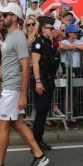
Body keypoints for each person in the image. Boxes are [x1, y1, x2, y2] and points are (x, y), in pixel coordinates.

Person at [0, 3, 48, 166]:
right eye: (2, 15)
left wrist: (23, 95)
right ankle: (39, 155)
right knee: (17, 123)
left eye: (6, 14)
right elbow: (4, 65)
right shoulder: (9, 37)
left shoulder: (17, 38)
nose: (2, 17)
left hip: (13, 88)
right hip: (8, 86)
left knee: (3, 125)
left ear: (15, 17)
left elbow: (25, 67)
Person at [31, 16, 60, 151]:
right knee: (41, 112)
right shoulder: (39, 42)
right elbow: (35, 62)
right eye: (50, 28)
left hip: (48, 79)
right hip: (41, 80)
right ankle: (35, 142)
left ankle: (39, 140)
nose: (52, 30)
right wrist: (38, 81)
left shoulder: (49, 42)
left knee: (44, 112)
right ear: (43, 29)